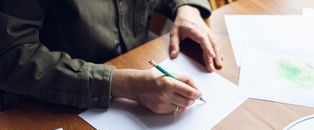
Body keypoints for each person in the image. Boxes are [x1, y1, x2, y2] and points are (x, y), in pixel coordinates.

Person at [0, 0, 223, 113]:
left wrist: (188, 9)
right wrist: (123, 84)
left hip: (140, 67)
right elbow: (11, 54)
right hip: (57, 102)